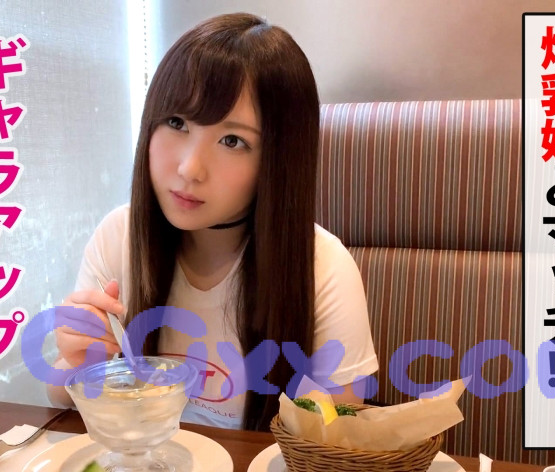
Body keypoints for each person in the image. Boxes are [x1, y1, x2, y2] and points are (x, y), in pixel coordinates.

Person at [47, 12, 378, 432]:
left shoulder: (323, 266)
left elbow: (336, 433)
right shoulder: (120, 236)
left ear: (278, 160)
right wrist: (79, 362)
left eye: (232, 140)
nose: (189, 168)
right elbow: (62, 397)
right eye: (176, 122)